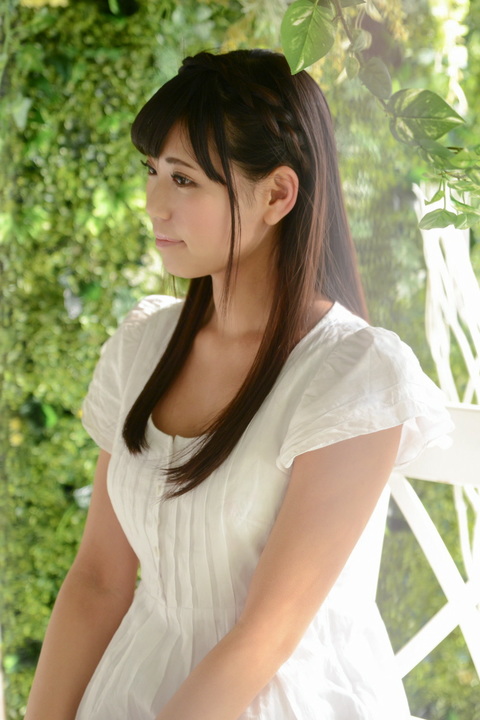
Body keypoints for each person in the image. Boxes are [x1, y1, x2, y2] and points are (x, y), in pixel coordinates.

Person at [25, 49, 453, 720]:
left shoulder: (352, 376)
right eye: (152, 171)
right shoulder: (143, 347)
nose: (154, 204)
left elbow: (265, 638)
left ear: (277, 195)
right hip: (133, 684)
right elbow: (99, 580)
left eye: (184, 180)